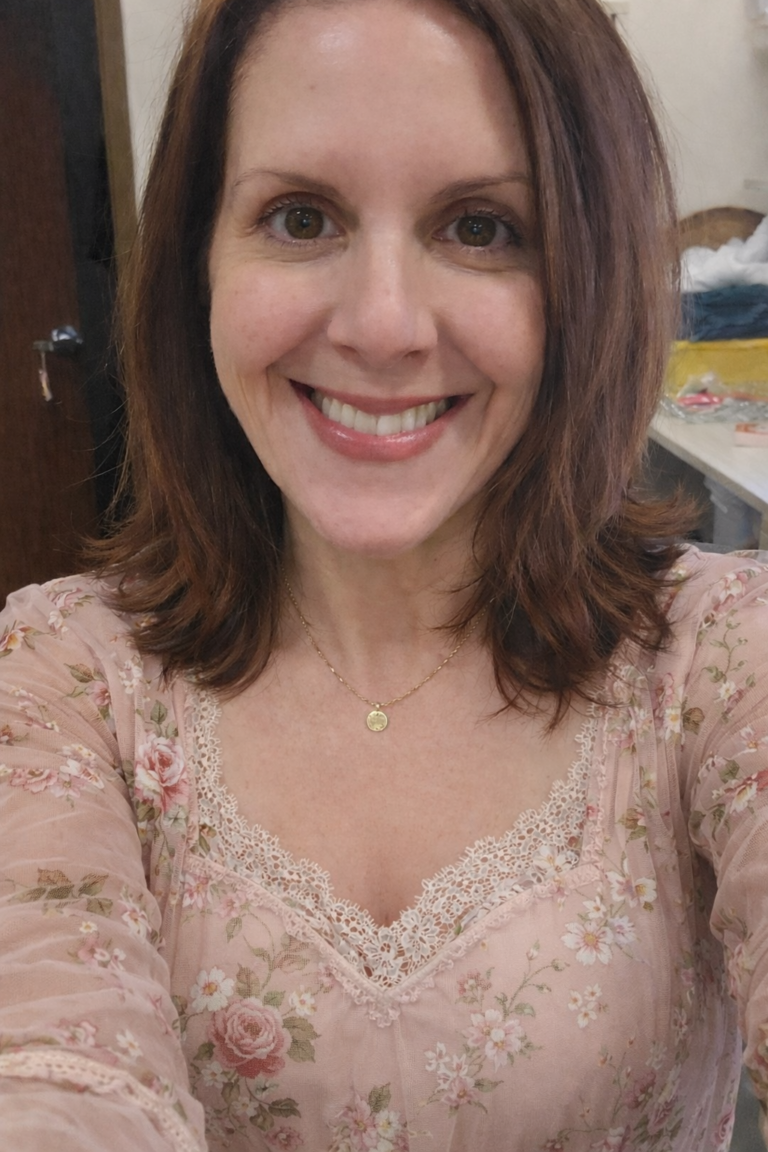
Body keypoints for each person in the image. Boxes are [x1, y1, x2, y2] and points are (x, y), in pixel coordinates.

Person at [1, 0, 767, 1148]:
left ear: (588, 274)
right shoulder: (62, 679)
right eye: (300, 217)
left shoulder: (723, 659)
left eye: (481, 228)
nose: (383, 324)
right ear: (198, 258)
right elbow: (48, 1061)